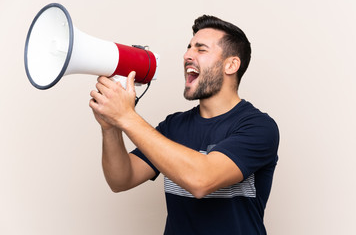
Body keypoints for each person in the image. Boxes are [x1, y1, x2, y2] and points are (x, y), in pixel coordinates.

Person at [89, 15, 279, 235]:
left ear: (231, 65)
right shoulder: (173, 126)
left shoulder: (259, 127)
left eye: (201, 49)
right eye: (188, 48)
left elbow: (201, 180)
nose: (187, 55)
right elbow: (121, 179)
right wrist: (110, 126)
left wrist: (126, 116)